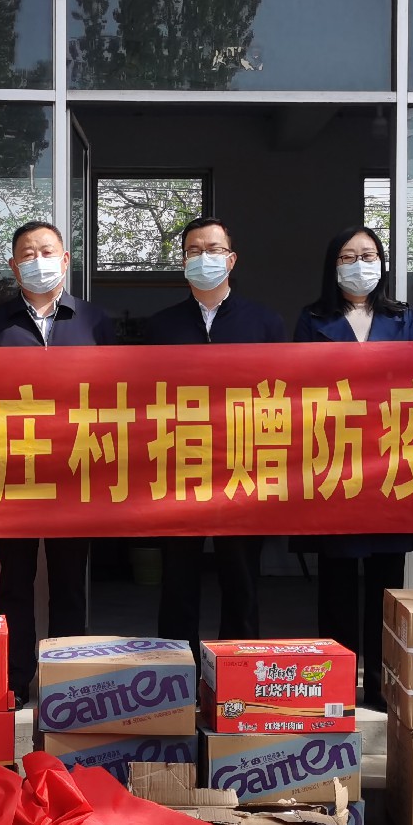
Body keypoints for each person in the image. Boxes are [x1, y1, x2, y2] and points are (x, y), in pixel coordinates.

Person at [0, 220, 116, 699]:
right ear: (14, 266)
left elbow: (115, 395)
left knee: (69, 582)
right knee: (15, 581)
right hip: (13, 471)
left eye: (47, 251)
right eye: (28, 254)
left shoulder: (95, 321)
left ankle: (65, 685)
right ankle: (13, 680)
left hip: (76, 472)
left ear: (66, 259)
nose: (38, 261)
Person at [295, 226, 413, 709]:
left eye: (368, 255)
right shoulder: (313, 318)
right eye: (348, 256)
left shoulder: (402, 316)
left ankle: (380, 682)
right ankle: (334, 683)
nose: (360, 265)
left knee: (386, 582)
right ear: (332, 266)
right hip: (335, 461)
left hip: (390, 461)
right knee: (336, 579)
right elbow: (298, 385)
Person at [142, 216, 285, 657]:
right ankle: (175, 675)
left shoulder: (265, 324)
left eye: (214, 250)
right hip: (178, 467)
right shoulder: (160, 327)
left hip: (242, 468)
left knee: (240, 579)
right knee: (178, 579)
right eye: (194, 251)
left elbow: (283, 398)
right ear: (183, 261)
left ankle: (236, 672)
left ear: (231, 259)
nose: (204, 258)